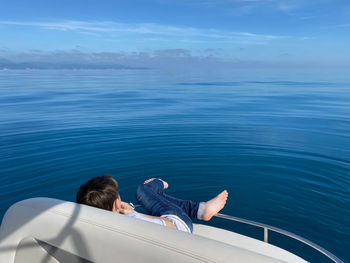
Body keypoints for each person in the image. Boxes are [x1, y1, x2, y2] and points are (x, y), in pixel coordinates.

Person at [76, 175, 228, 233]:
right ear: (117, 201)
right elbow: (170, 225)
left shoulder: (95, 226)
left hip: (166, 220)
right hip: (181, 224)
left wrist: (126, 212)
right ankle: (158, 184)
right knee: (143, 189)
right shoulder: (132, 219)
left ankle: (200, 209)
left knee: (159, 199)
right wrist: (133, 213)